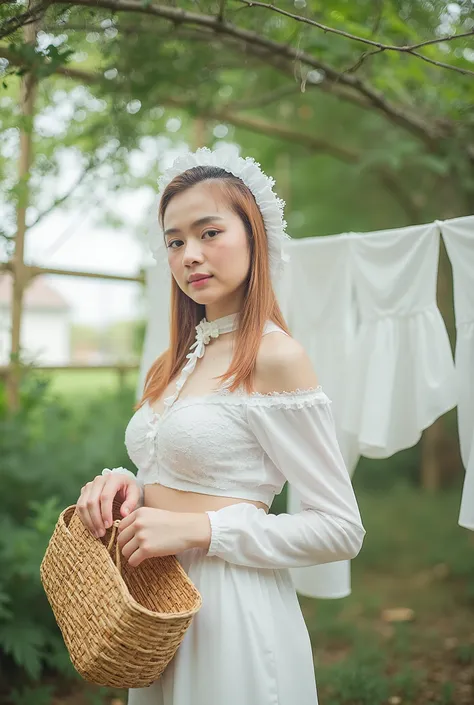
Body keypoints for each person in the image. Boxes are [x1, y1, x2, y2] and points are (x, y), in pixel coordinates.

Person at [76, 147, 366, 705]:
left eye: (209, 233)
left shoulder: (276, 358)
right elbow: (184, 473)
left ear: (254, 237)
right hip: (154, 607)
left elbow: (340, 529)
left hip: (232, 609)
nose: (190, 254)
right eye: (175, 240)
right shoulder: (175, 361)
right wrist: (125, 487)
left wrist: (202, 532)